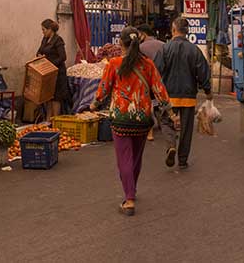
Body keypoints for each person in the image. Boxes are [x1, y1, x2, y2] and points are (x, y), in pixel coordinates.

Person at [90, 28, 168, 216]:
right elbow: (159, 89)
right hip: (142, 118)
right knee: (136, 157)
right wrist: (170, 110)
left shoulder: (114, 64)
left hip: (121, 118)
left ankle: (130, 198)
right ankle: (131, 189)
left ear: (120, 43)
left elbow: (104, 89)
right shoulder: (148, 65)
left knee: (124, 158)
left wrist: (95, 103)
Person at [154, 18, 211, 170]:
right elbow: (203, 72)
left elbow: (156, 72)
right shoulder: (194, 50)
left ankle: (171, 145)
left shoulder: (165, 49)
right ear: (187, 32)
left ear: (173, 30)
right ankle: (183, 160)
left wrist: (153, 92)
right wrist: (208, 91)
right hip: (188, 97)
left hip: (169, 97)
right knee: (186, 129)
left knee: (165, 122)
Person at [36, 19, 71, 118]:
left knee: (56, 97)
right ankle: (48, 120)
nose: (42, 32)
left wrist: (51, 64)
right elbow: (40, 50)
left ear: (50, 30)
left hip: (58, 73)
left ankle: (55, 119)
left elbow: (63, 57)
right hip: (48, 73)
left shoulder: (58, 40)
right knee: (48, 97)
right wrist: (39, 56)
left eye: (44, 30)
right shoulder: (44, 39)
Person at [137, 24, 165, 141]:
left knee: (149, 103)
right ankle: (166, 125)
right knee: (161, 102)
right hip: (163, 80)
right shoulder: (164, 45)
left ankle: (150, 132)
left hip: (147, 80)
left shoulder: (141, 47)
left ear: (143, 34)